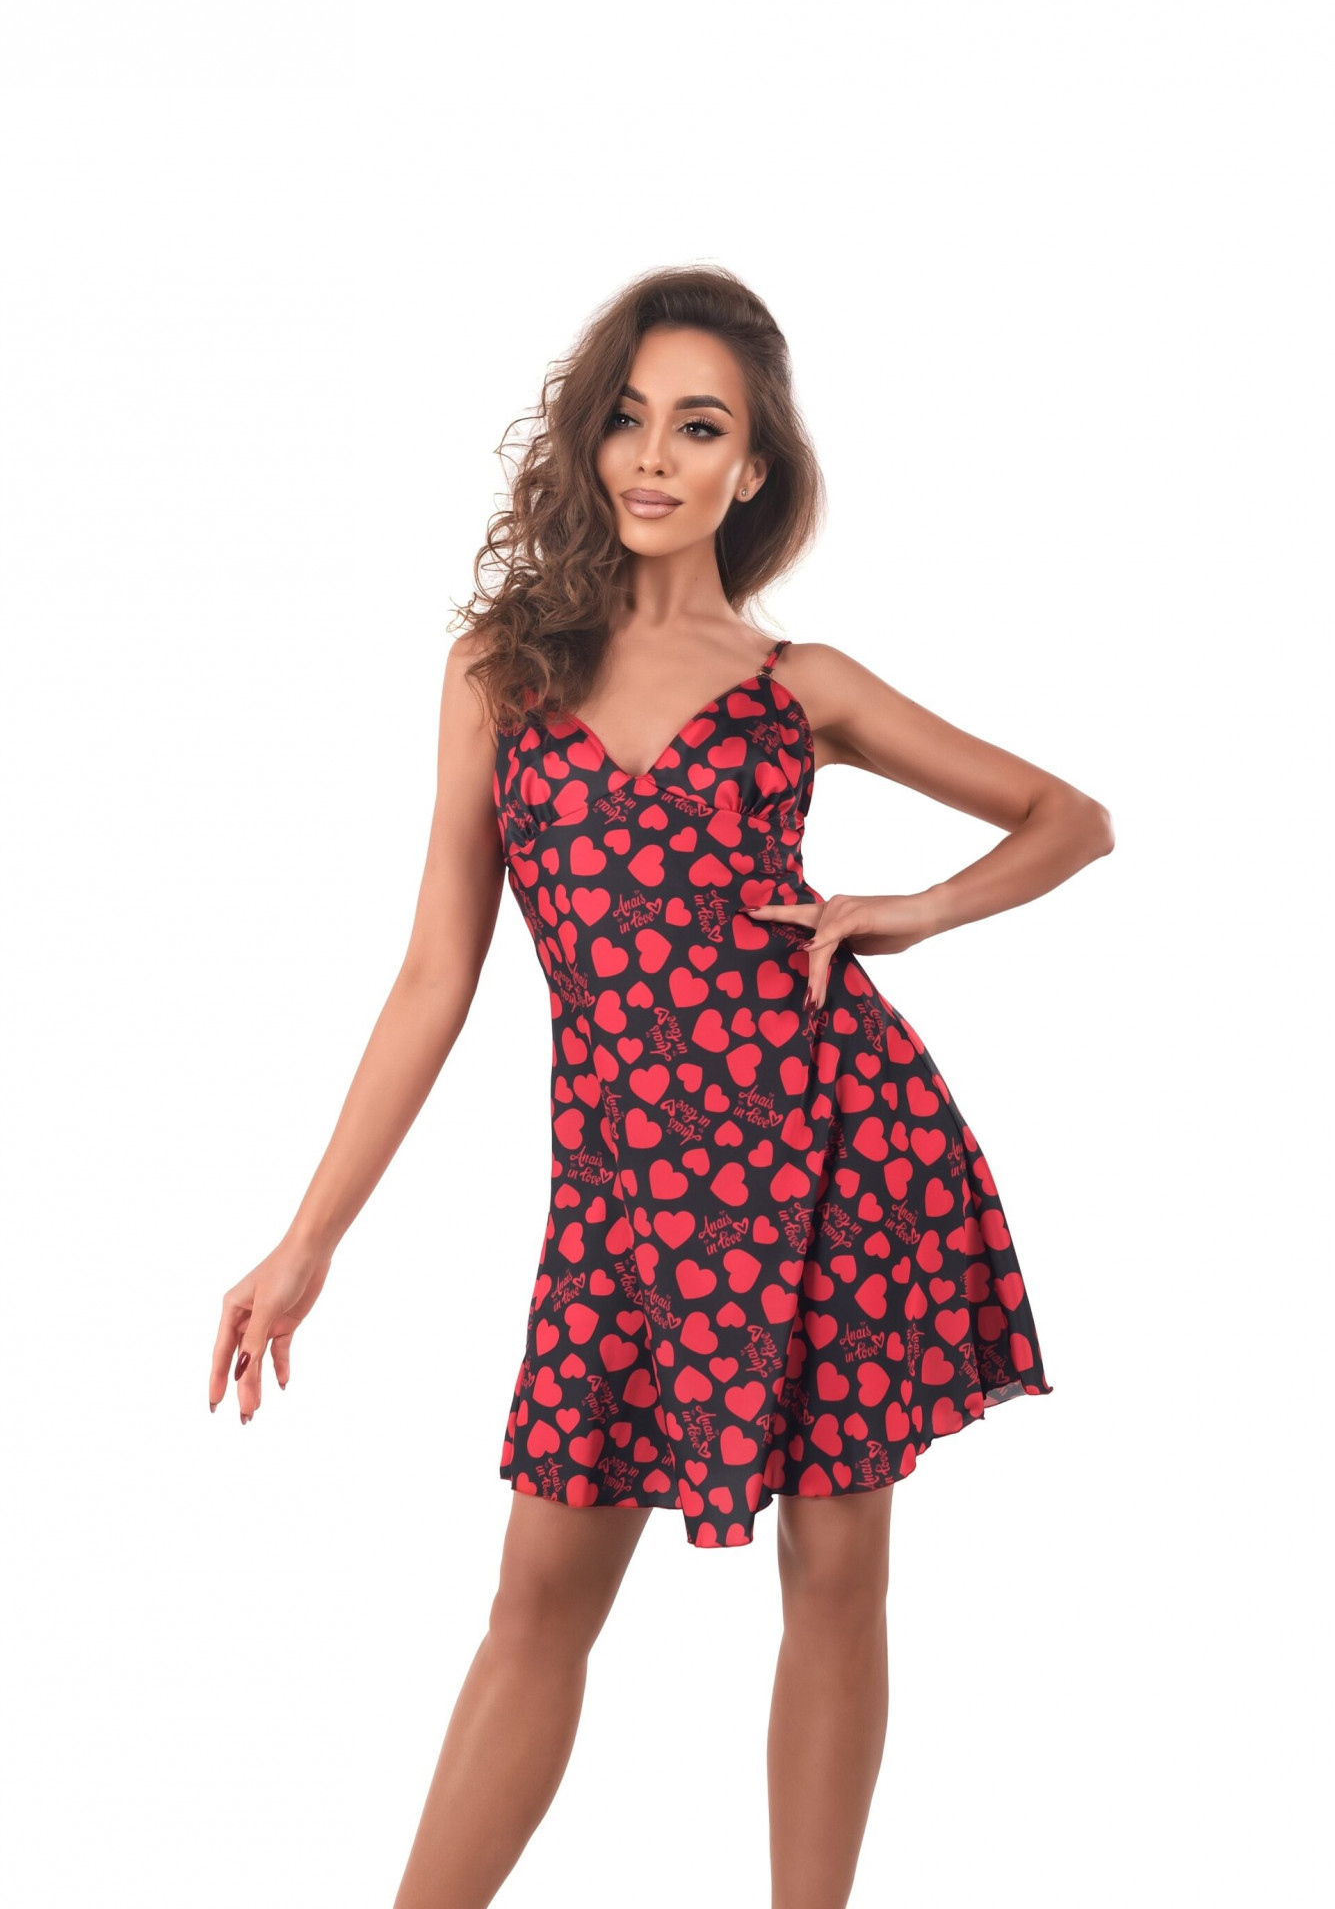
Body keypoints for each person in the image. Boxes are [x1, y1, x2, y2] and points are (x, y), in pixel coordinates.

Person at [209, 265, 1113, 1908]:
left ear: (753, 466)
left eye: (699, 427)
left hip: (832, 1153)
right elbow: (435, 977)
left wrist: (909, 911)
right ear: (589, 438)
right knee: (537, 1600)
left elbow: (1072, 817)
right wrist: (308, 1238)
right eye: (629, 418)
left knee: (833, 1576)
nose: (653, 456)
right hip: (623, 1199)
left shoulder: (799, 684)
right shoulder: (501, 675)